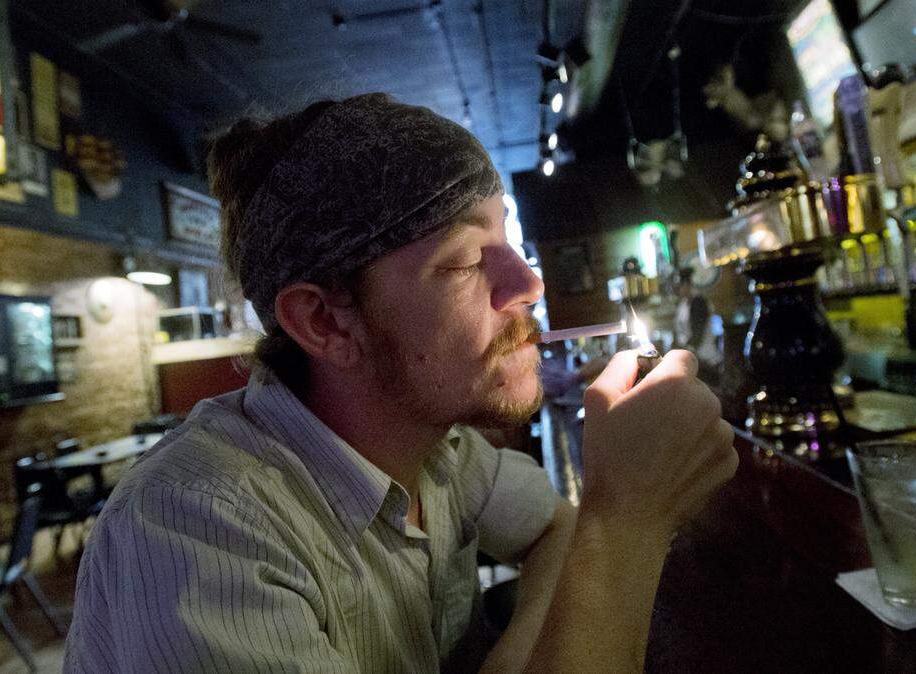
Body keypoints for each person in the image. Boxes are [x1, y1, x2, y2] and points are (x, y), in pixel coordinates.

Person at [63, 93, 737, 673]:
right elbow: (591, 531)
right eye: (468, 260)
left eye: (510, 242)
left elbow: (554, 530)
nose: (528, 282)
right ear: (325, 321)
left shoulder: (436, 451)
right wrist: (629, 521)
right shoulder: (197, 534)